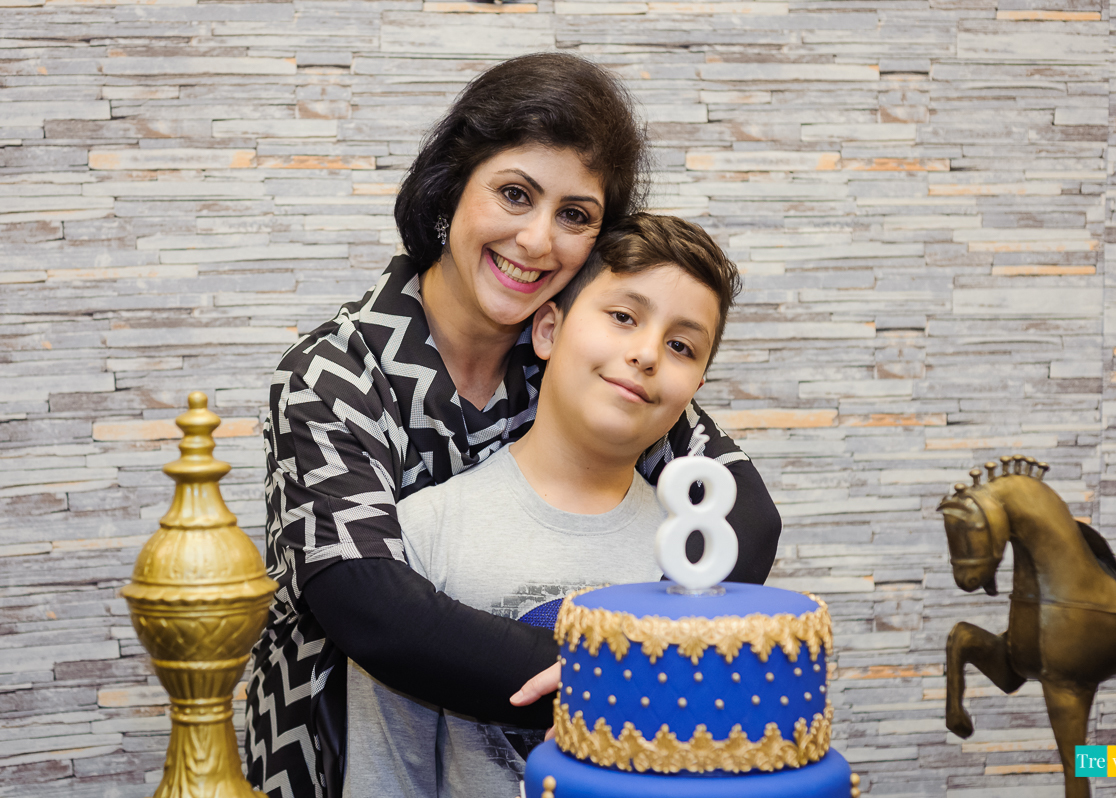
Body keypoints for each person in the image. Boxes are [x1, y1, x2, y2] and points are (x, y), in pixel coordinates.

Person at [245, 53, 782, 798]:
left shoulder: (582, 358)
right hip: (348, 750)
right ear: (451, 187)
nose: (536, 241)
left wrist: (643, 672)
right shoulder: (334, 372)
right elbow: (371, 605)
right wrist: (628, 679)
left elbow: (742, 512)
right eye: (514, 194)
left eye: (574, 216)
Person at [342, 213, 742, 798]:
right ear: (548, 330)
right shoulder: (426, 531)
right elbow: (389, 778)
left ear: (695, 389)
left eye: (682, 345)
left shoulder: (702, 555)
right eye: (624, 317)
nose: (648, 353)